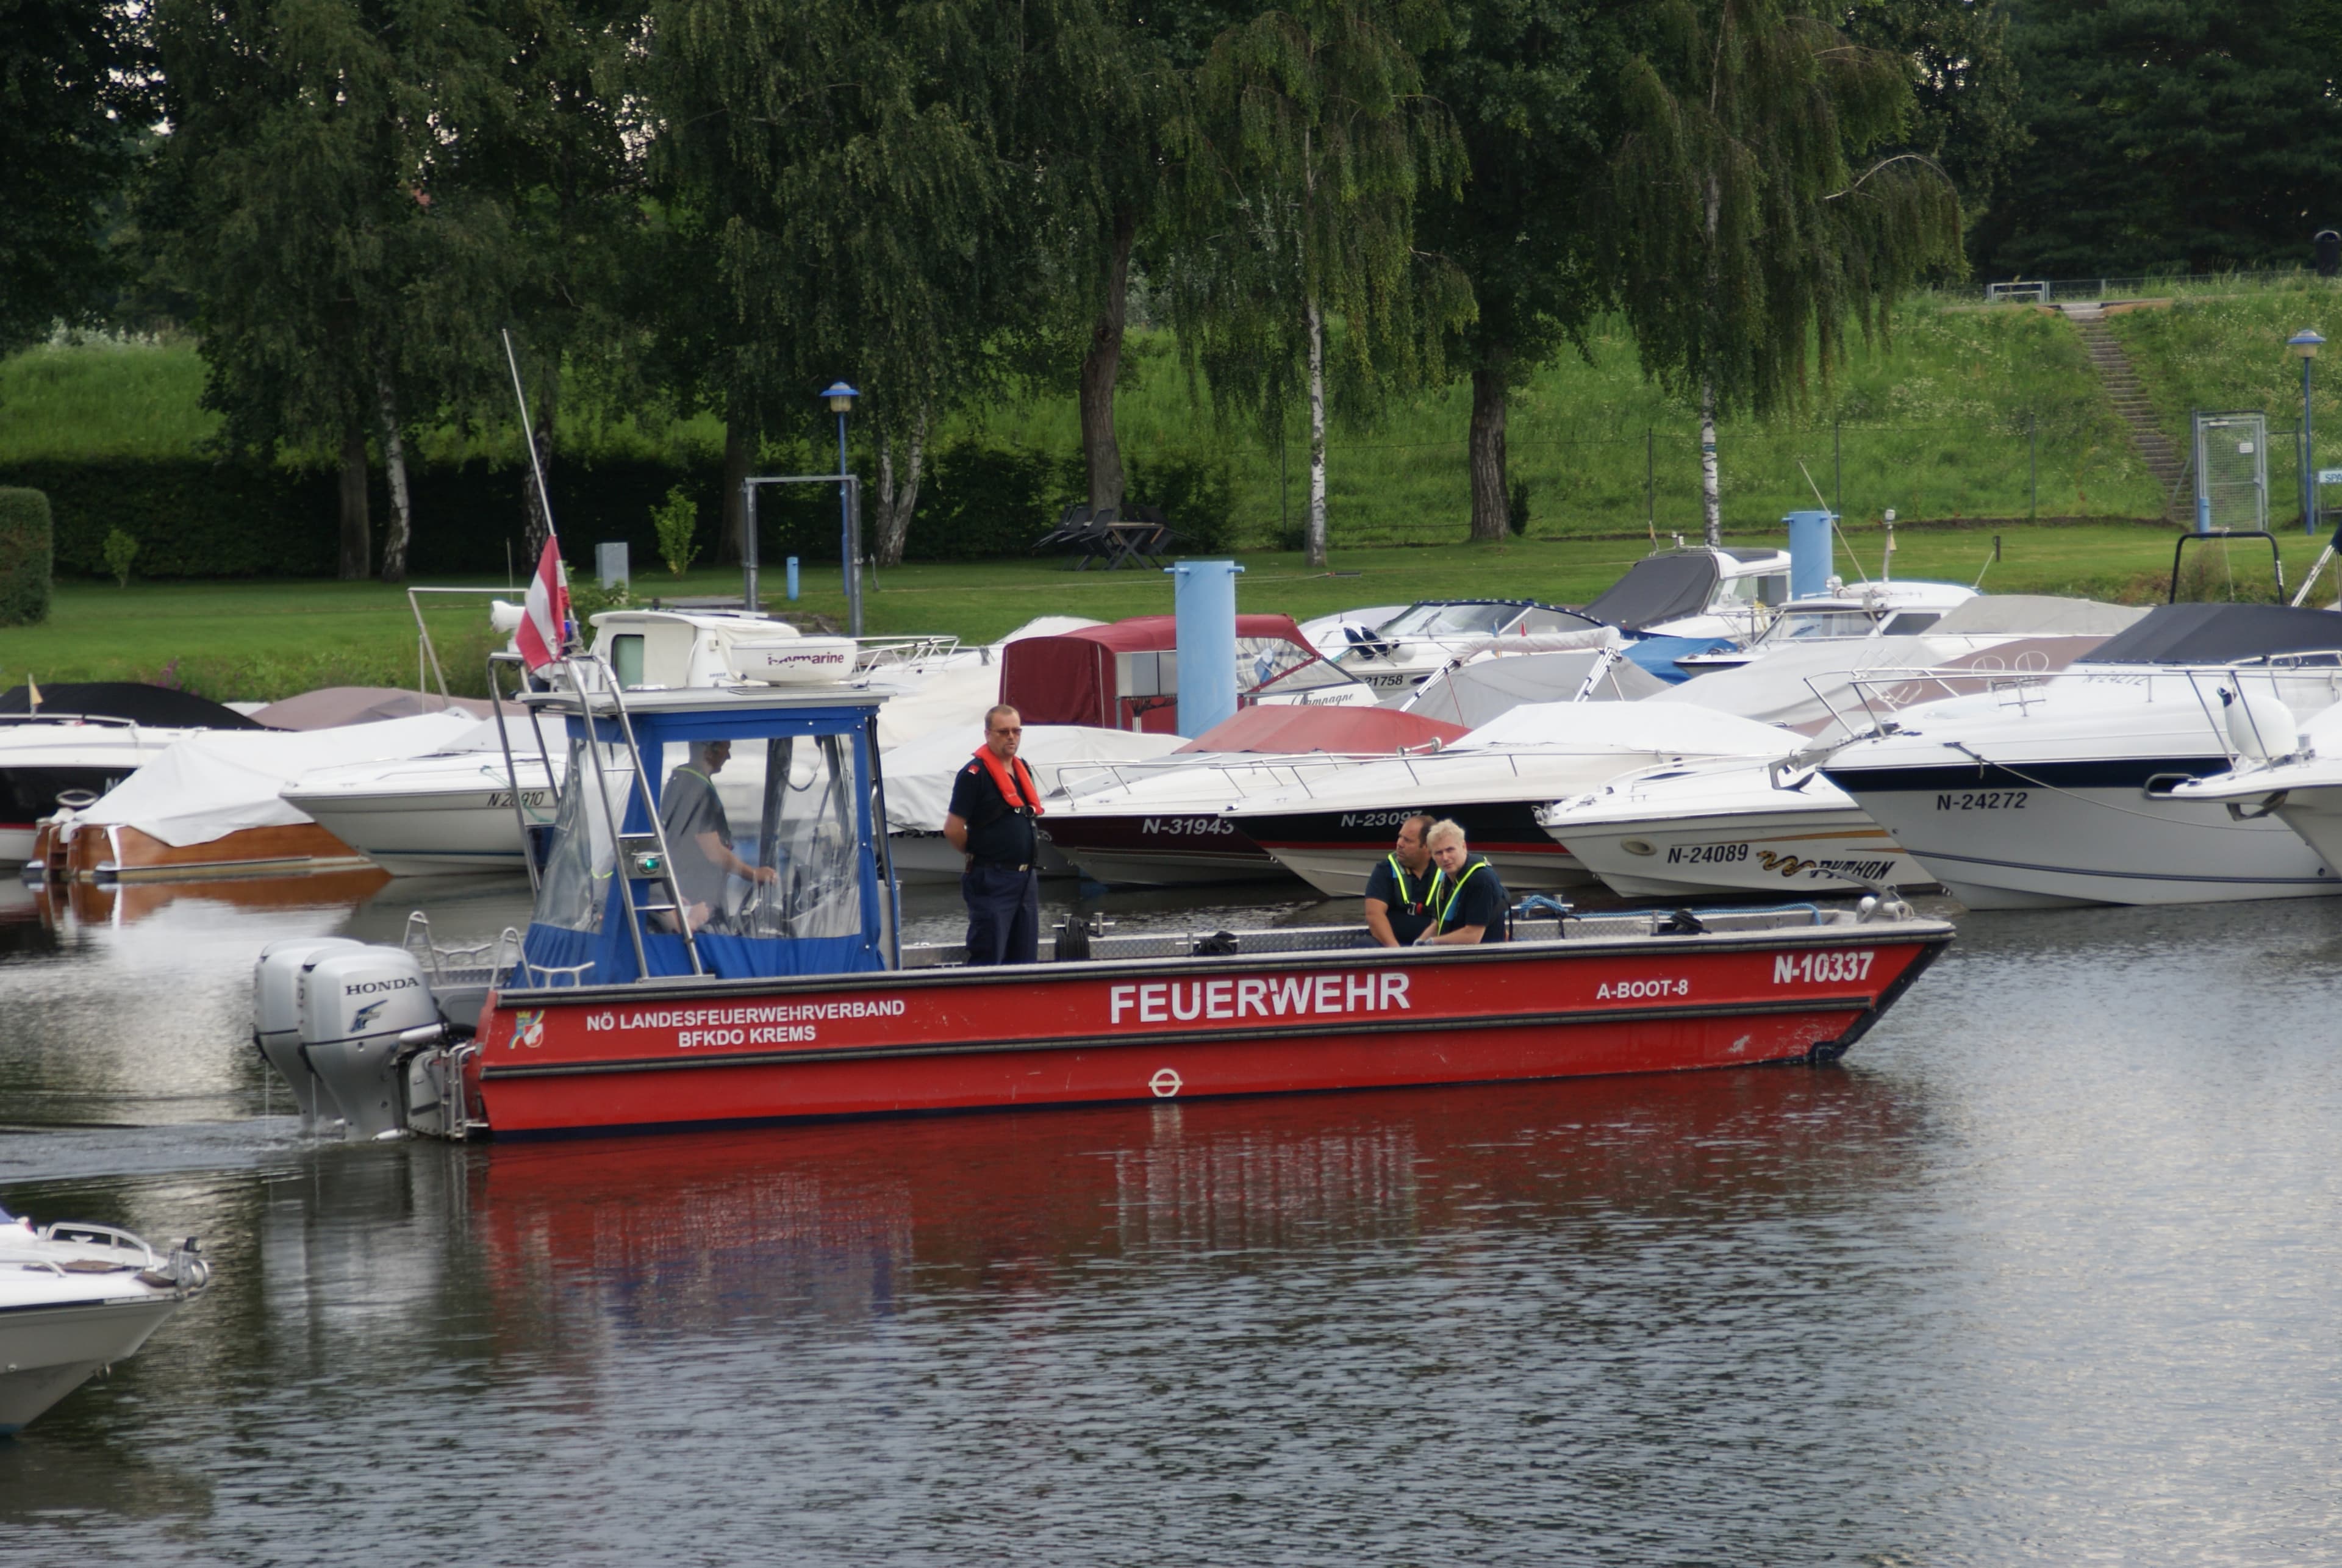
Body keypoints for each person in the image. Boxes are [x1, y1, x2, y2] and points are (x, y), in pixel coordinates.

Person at [945, 704, 1044, 964]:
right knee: (990, 955)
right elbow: (953, 828)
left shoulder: (1022, 769)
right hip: (992, 878)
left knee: (1025, 960)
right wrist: (979, 855)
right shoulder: (973, 774)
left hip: (1025, 879)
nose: (1011, 737)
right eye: (1003, 732)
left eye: (1016, 731)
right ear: (988, 734)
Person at [659, 739, 776, 931]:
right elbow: (713, 851)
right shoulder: (696, 788)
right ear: (709, 751)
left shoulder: (681, 782)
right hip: (698, 903)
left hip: (689, 893)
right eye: (725, 749)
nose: (728, 756)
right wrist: (754, 874)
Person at [1418, 819, 1508, 945]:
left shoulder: (1481, 879)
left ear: (1463, 847)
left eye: (1450, 850)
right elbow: (1439, 924)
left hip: (1483, 959)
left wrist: (1432, 943)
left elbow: (1473, 936)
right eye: (1438, 853)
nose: (1445, 858)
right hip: (1455, 955)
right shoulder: (1447, 878)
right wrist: (1418, 944)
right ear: (1432, 855)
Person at [1364, 812, 1441, 947]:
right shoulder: (1385, 870)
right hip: (1392, 947)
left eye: (1408, 840)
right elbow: (1374, 914)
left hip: (1432, 945)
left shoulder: (1446, 870)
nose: (1400, 844)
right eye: (1400, 837)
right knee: (1364, 945)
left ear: (1428, 847)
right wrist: (1397, 953)